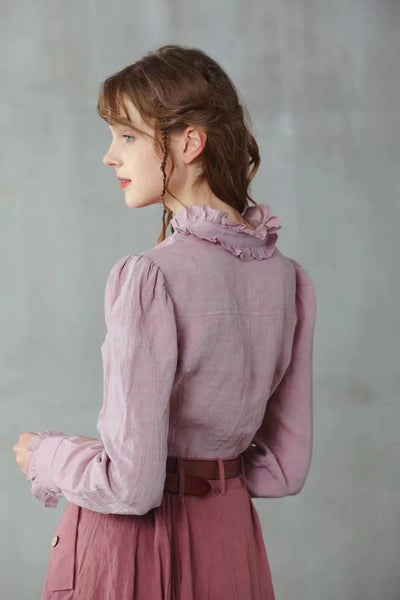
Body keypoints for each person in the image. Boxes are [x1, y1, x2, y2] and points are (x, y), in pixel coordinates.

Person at [13, 44, 317, 599]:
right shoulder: (289, 279)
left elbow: (130, 487)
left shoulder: (149, 276)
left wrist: (48, 456)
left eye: (127, 136)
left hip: (138, 554)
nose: (110, 156)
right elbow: (283, 469)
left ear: (189, 142)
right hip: (229, 544)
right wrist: (211, 474)